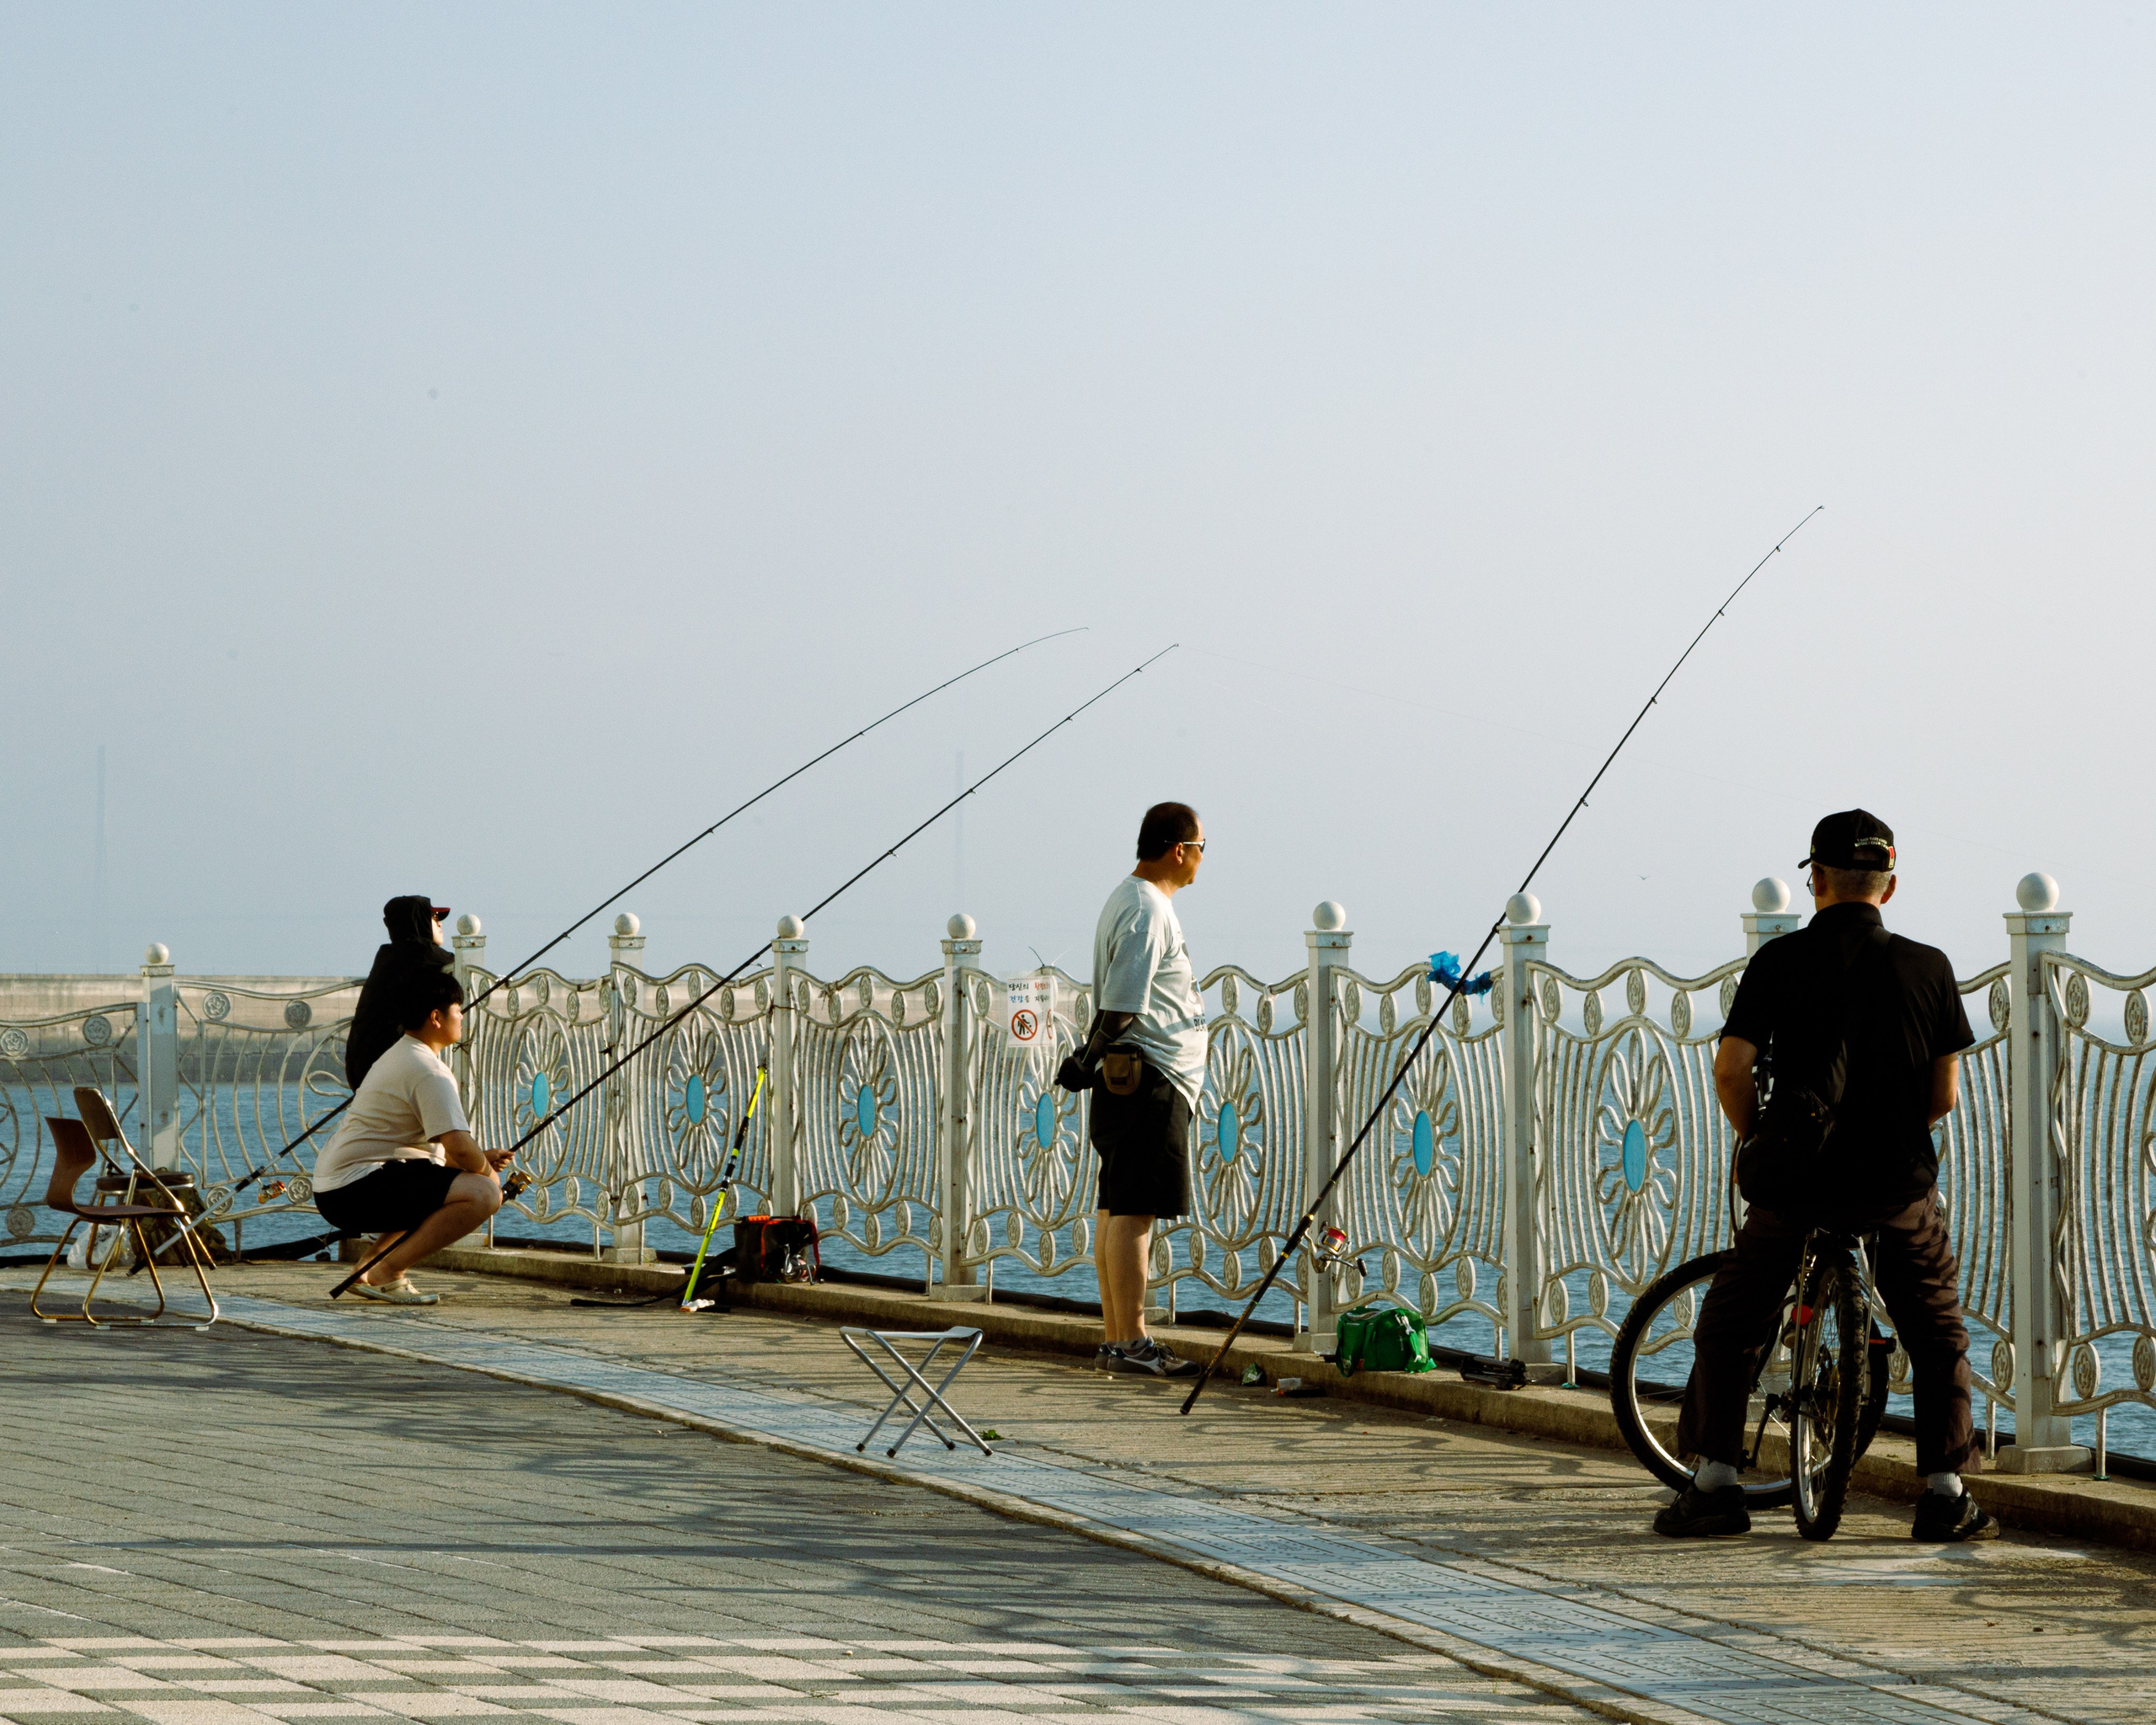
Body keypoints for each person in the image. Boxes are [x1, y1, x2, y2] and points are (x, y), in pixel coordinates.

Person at [1656, 809, 1993, 1541]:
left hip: (1797, 1183)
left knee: (1733, 1323)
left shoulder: (1778, 963)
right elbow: (1945, 1096)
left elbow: (1730, 1070)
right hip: (1896, 1184)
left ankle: (1715, 1485)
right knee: (1937, 1332)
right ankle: (1944, 1493)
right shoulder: (1928, 966)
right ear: (1890, 885)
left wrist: (1759, 1137)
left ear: (1815, 880)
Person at [1056, 801, 1208, 1378]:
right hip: (1151, 1077)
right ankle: (1134, 1342)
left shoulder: (1130, 898)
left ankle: (1118, 1339)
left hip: (1133, 1077)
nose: (1200, 860)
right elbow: (1122, 1003)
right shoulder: (1147, 909)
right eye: (1200, 849)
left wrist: (1088, 1062)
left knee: (1116, 1208)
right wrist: (1085, 1058)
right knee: (1134, 1212)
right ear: (1179, 849)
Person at [312, 969, 511, 1306]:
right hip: (354, 1187)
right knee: (483, 1194)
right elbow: (461, 1150)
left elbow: (436, 1159)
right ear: (436, 1017)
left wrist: (480, 1159)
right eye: (457, 1009)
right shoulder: (429, 1071)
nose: (462, 1016)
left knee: (446, 1188)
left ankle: (364, 1271)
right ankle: (388, 1272)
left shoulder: (403, 1053)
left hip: (337, 1187)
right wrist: (487, 1175)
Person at [347, 896, 456, 1091]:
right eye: (433, 917)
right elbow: (461, 964)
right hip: (383, 1062)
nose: (439, 923)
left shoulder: (388, 953)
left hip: (363, 1061)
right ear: (418, 921)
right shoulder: (419, 952)